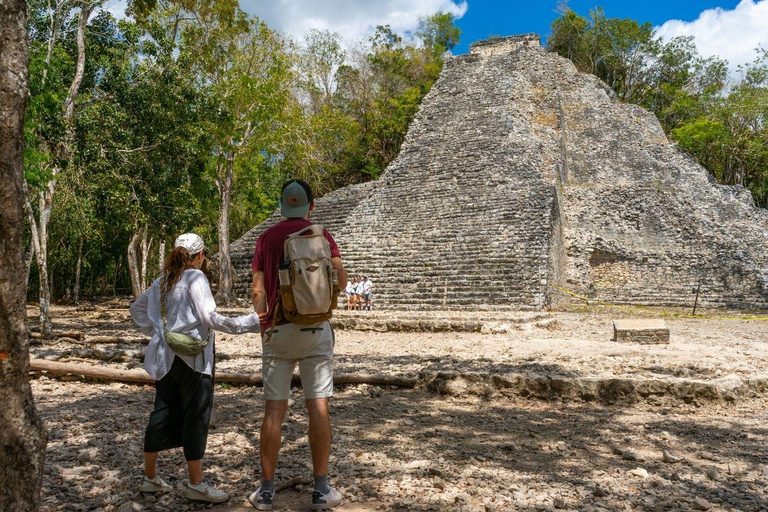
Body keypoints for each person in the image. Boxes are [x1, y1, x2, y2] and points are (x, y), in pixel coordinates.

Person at [130, 233, 265, 503]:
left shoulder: (163, 280)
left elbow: (137, 309)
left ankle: (150, 477)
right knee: (196, 416)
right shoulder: (196, 277)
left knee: (162, 411)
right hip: (194, 359)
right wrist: (250, 322)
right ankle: (195, 482)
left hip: (166, 357)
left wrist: (160, 331)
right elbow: (208, 317)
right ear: (201, 255)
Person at [250, 179, 348, 511]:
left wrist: (265, 324)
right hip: (315, 331)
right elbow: (341, 278)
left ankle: (265, 492)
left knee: (274, 411)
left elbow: (258, 293)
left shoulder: (266, 238)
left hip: (278, 331)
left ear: (282, 206)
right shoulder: (321, 235)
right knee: (318, 406)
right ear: (311, 204)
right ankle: (321, 491)